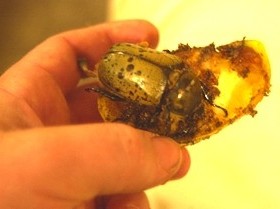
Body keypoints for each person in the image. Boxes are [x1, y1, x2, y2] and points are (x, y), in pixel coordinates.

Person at [0, 20, 190, 209]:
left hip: (121, 57)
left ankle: (89, 72)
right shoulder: (159, 91)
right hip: (115, 69)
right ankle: (91, 73)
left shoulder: (175, 63)